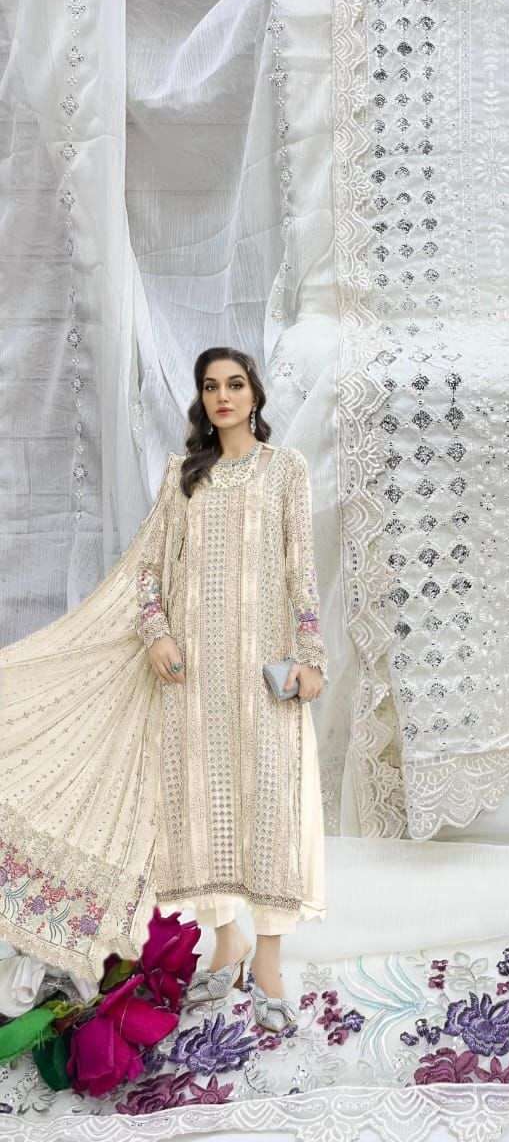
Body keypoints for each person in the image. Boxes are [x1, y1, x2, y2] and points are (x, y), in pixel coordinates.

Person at [0, 347, 327, 1033]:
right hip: (192, 676)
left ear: (255, 394)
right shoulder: (184, 476)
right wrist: (156, 634)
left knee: (272, 810)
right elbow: (149, 572)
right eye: (210, 386)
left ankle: (269, 963)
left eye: (234, 384)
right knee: (201, 813)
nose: (222, 396)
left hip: (264, 673)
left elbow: (301, 570)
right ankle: (227, 944)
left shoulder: (285, 471)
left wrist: (311, 657)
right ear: (202, 400)